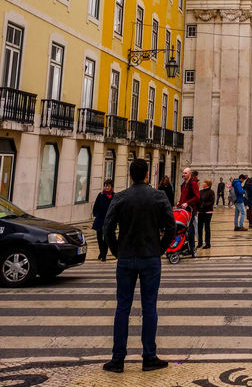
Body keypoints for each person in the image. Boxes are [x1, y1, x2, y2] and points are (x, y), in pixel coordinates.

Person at [102, 157, 175, 373]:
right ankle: (149, 357)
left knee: (122, 307)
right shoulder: (158, 196)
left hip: (125, 258)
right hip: (150, 257)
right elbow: (171, 227)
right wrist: (160, 249)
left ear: (130, 175)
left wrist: (116, 250)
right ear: (146, 175)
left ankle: (117, 360)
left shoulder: (120, 197)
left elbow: (107, 228)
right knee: (149, 307)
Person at [178, 167, 200, 257]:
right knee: (183, 228)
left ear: (190, 174)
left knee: (190, 229)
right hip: (183, 210)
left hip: (191, 210)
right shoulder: (183, 184)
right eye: (183, 173)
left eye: (185, 173)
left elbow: (197, 196)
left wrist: (187, 202)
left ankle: (192, 248)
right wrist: (180, 202)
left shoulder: (193, 183)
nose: (183, 175)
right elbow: (183, 196)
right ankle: (186, 247)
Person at [92, 179, 114, 261]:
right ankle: (101, 252)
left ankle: (104, 254)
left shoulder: (114, 196)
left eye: (108, 186)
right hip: (100, 219)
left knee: (106, 238)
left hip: (108, 220)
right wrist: (96, 214)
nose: (107, 187)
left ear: (111, 187)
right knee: (99, 237)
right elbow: (96, 205)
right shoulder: (100, 195)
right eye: (106, 186)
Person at [197, 179, 215, 248]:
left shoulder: (211, 192)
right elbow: (198, 200)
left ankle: (208, 243)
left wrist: (204, 206)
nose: (203, 183)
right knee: (199, 228)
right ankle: (200, 242)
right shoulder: (200, 191)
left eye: (204, 182)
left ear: (207, 184)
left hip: (208, 212)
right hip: (201, 212)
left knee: (207, 228)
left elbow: (211, 202)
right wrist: (199, 207)